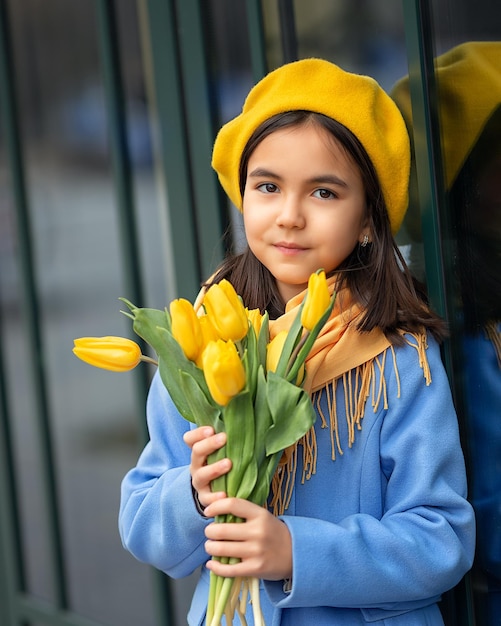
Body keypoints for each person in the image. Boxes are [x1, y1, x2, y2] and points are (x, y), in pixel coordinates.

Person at [118, 58, 475, 625]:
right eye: (267, 186)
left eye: (324, 193)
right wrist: (192, 492)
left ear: (367, 220)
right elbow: (144, 527)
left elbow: (441, 540)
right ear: (243, 197)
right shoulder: (205, 341)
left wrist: (293, 550)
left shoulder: (399, 356)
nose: (289, 216)